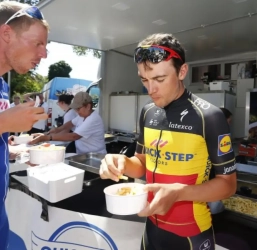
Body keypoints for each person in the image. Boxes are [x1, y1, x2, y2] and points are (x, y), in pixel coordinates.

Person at [100, 33, 237, 250]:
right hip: (151, 229)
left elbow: (228, 185)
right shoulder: (147, 112)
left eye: (160, 79)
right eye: (144, 80)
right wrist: (122, 163)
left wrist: (180, 192)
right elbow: (143, 164)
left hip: (191, 235)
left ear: (182, 71)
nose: (150, 89)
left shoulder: (208, 116)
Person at [0, 2, 48, 249]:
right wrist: (5, 122)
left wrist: (14, 152)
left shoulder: (3, 86)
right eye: (38, 43)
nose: (44, 54)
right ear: (6, 33)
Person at [29, 92, 107, 155]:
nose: (76, 111)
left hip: (95, 155)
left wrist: (46, 137)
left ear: (88, 106)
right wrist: (55, 130)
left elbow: (74, 136)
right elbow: (70, 123)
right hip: (82, 153)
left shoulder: (93, 119)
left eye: (78, 108)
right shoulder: (82, 115)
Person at [208, 107, 234, 215]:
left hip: (211, 176)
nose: (229, 124)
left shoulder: (209, 129)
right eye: (229, 121)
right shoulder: (217, 133)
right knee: (212, 208)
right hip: (211, 175)